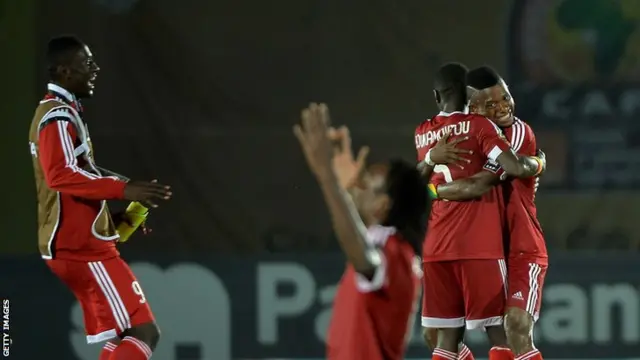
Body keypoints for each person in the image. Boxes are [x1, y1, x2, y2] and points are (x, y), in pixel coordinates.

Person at [28, 35, 172, 360]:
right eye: (87, 63)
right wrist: (125, 189)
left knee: (126, 334)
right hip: (80, 249)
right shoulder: (57, 116)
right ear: (64, 71)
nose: (95, 69)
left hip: (81, 245)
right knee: (146, 332)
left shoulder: (63, 112)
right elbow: (60, 175)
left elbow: (85, 172)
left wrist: (123, 210)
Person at [414, 63, 545, 360]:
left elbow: (478, 184)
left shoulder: (515, 134)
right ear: (472, 107)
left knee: (515, 326)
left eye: (505, 98)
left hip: (520, 248)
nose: (502, 108)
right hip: (485, 246)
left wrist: (433, 191)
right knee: (433, 334)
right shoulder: (471, 134)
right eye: (490, 103)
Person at [294, 103, 425, 360]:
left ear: (383, 206)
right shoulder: (386, 244)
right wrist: (345, 191)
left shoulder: (398, 256)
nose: (359, 184)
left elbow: (365, 258)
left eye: (367, 183)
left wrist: (328, 177)